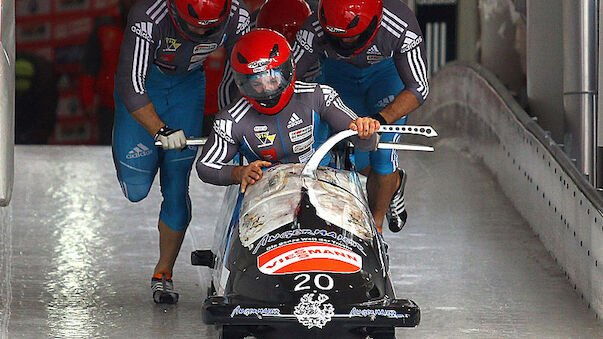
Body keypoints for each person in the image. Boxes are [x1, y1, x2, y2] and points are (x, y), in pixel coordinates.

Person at [112, 0, 250, 304]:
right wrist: (160, 130)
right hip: (146, 87)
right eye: (193, 25)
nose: (201, 30)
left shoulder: (238, 16)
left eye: (209, 26)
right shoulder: (148, 15)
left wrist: (233, 128)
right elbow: (129, 81)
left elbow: (235, 79)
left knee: (176, 183)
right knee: (135, 189)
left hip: (187, 88)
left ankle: (164, 272)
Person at [291, 0, 429, 233]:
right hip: (340, 77)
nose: (345, 42)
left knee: (382, 154)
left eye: (353, 36)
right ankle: (325, 215)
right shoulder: (312, 29)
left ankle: (375, 227)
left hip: (386, 79)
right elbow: (288, 76)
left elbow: (419, 87)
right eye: (338, 37)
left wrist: (381, 119)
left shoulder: (400, 26)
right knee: (333, 148)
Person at [196, 28, 380, 192]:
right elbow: (205, 166)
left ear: (287, 71)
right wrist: (239, 173)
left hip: (322, 185)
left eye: (273, 80)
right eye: (256, 84)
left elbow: (366, 143)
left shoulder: (319, 96)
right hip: (265, 191)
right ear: (241, 82)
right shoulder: (230, 120)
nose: (267, 90)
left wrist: (365, 131)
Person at [80, 0, 135, 145]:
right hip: (110, 107)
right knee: (107, 153)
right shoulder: (104, 27)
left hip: (145, 105)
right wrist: (87, 99)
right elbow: (90, 66)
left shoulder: (154, 27)